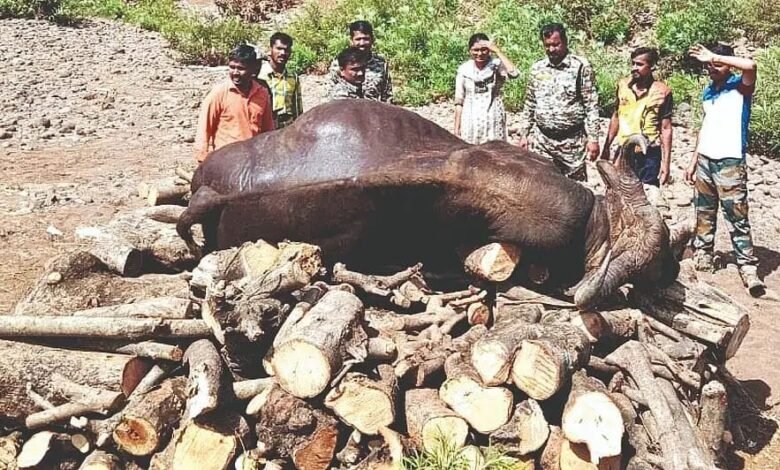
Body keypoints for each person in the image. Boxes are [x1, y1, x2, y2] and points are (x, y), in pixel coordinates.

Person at [684, 43, 764, 296]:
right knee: (704, 212)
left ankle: (747, 265)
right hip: (706, 159)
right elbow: (706, 126)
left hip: (730, 160)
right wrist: (694, 159)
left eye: (717, 65)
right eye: (709, 65)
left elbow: (751, 66)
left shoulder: (740, 86)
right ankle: (703, 254)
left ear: (729, 64)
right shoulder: (709, 91)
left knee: (737, 215)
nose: (711, 68)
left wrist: (716, 56)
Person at [517, 23, 600, 181]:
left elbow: (591, 106)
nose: (551, 49)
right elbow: (530, 103)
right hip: (542, 141)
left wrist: (593, 139)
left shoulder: (581, 67)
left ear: (565, 42)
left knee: (575, 188)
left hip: (571, 143)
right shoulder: (537, 68)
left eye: (556, 44)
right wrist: (524, 134)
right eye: (547, 45)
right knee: (541, 185)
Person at [600, 48, 673, 204]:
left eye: (639, 64)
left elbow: (666, 128)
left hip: (649, 152)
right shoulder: (623, 86)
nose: (634, 68)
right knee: (617, 191)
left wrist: (666, 163)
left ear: (652, 66)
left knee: (648, 193)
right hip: (624, 149)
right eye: (633, 63)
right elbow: (616, 116)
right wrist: (607, 146)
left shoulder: (662, 92)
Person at [194, 44, 274, 164]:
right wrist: (202, 159)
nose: (235, 73)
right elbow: (204, 128)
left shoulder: (262, 93)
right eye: (232, 67)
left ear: (253, 70)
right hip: (226, 161)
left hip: (253, 160)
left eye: (241, 68)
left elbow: (268, 130)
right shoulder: (219, 93)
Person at [453, 33, 519, 144]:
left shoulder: (496, 65)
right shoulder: (464, 70)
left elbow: (514, 73)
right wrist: (456, 128)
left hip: (493, 120)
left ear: (489, 50)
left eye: (484, 50)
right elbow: (459, 102)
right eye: (476, 50)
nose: (480, 54)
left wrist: (497, 51)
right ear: (470, 50)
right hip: (470, 122)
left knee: (495, 152)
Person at [329, 21, 392, 102]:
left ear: (372, 39)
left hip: (374, 108)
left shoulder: (381, 63)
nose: (362, 43)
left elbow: (387, 94)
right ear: (351, 40)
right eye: (358, 39)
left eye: (366, 39)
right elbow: (329, 93)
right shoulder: (339, 64)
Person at [257, 32, 303, 129]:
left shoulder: (293, 77)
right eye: (279, 49)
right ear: (271, 49)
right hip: (266, 127)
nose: (282, 53)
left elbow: (297, 107)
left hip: (288, 127)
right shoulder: (260, 75)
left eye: (286, 50)